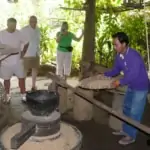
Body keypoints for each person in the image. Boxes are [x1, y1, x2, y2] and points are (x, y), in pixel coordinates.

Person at [104, 32, 149, 145]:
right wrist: (105, 74)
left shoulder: (134, 56)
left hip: (141, 87)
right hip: (131, 85)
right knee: (127, 108)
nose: (114, 47)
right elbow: (116, 70)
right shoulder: (119, 56)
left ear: (124, 44)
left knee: (135, 112)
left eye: (116, 44)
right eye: (114, 44)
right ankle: (125, 130)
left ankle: (131, 136)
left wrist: (119, 82)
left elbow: (133, 75)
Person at [0, 18, 29, 103]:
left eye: (14, 25)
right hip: (5, 61)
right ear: (7, 24)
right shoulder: (1, 34)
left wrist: (23, 53)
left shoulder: (19, 33)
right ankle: (7, 95)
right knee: (6, 79)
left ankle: (23, 95)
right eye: (11, 25)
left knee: (21, 78)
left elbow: (27, 42)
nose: (13, 27)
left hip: (17, 60)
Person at [21, 16, 40, 91]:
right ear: (29, 22)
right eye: (32, 21)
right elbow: (20, 41)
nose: (34, 23)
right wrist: (22, 52)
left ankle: (33, 85)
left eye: (35, 21)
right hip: (27, 53)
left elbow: (38, 41)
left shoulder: (38, 29)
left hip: (36, 52)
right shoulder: (24, 29)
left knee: (35, 69)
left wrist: (38, 52)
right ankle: (22, 87)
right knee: (25, 70)